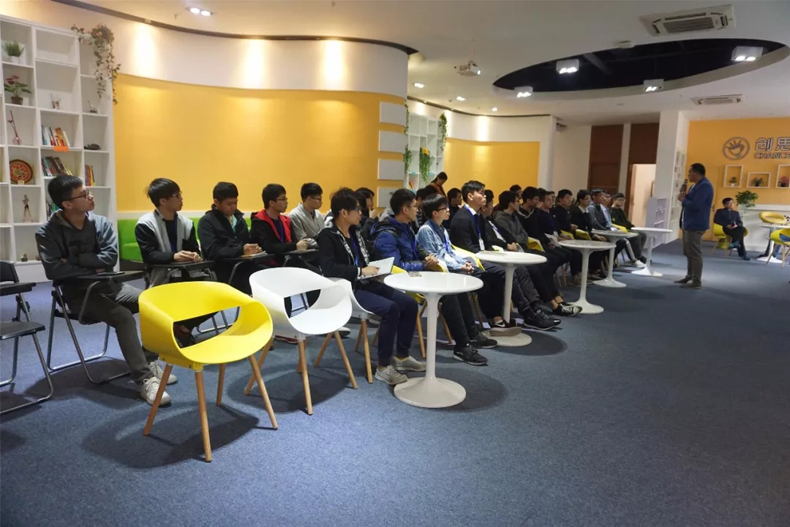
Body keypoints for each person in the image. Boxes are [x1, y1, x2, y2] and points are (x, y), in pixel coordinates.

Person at [37, 176, 175, 406]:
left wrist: (72, 259)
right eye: (83, 194)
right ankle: (144, 378)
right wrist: (93, 263)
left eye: (88, 191)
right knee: (123, 316)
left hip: (111, 285)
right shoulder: (47, 232)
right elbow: (54, 270)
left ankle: (148, 359)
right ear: (67, 204)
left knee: (154, 303)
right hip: (78, 294)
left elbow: (110, 258)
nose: (90, 196)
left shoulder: (101, 223)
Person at [372, 189, 496, 365]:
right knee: (448, 294)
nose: (418, 209)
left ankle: (471, 334)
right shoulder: (387, 234)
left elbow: (418, 249)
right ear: (405, 210)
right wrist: (423, 264)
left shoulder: (406, 228)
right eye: (414, 206)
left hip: (416, 273)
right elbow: (396, 266)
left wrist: (428, 257)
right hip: (400, 279)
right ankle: (462, 345)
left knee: (456, 284)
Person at [317, 188, 425, 385]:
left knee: (409, 304)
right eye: (357, 210)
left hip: (366, 282)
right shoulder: (328, 236)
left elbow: (369, 256)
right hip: (346, 289)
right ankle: (383, 367)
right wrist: (361, 271)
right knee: (391, 309)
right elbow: (329, 267)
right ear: (344, 213)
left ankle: (402, 357)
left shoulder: (355, 232)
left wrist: (378, 269)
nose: (361, 213)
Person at [450, 180, 558, 330]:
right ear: (470, 196)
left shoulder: (478, 216)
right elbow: (467, 250)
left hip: (483, 256)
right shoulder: (462, 218)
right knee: (504, 272)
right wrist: (490, 256)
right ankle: (526, 313)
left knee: (519, 269)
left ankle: (535, 308)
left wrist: (495, 253)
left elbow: (486, 243)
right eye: (481, 193)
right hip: (471, 261)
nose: (484, 197)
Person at [417, 193, 518, 336]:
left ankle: (496, 319)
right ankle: (481, 326)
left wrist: (465, 262)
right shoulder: (426, 230)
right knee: (484, 282)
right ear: (435, 213)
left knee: (494, 277)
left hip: (454, 267)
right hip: (443, 272)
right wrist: (460, 266)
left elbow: (450, 252)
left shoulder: (441, 228)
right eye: (444, 208)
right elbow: (438, 257)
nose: (448, 210)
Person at [493, 191, 580, 316]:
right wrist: (519, 238)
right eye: (517, 201)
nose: (518, 203)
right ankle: (554, 304)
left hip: (522, 248)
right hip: (514, 252)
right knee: (536, 269)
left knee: (546, 263)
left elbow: (524, 235)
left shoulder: (514, 216)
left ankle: (557, 299)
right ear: (510, 203)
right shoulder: (500, 218)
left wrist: (520, 238)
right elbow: (511, 238)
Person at [135, 178, 204, 287]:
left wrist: (194, 255)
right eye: (177, 195)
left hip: (188, 277)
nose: (181, 198)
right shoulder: (145, 224)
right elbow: (149, 255)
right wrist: (174, 256)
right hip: (161, 280)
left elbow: (193, 248)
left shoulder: (187, 223)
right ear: (163, 201)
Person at [198, 182, 263, 294]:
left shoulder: (239, 219)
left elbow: (246, 242)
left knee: (269, 276)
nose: (234, 207)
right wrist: (241, 250)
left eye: (235, 202)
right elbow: (212, 251)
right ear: (216, 202)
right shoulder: (206, 222)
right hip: (223, 270)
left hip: (244, 266)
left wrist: (254, 249)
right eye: (229, 204)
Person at [517, 187, 581, 284]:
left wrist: (548, 240)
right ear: (528, 200)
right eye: (536, 199)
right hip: (532, 243)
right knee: (553, 259)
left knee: (566, 254)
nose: (538, 202)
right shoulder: (521, 213)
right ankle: (544, 282)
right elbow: (529, 228)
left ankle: (546, 280)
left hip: (542, 240)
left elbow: (540, 230)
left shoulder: (535, 211)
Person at [250, 184, 310, 266]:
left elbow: (290, 241)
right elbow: (267, 246)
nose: (286, 202)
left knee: (314, 272)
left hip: (287, 260)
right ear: (272, 203)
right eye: (283, 199)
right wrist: (294, 246)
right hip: (268, 264)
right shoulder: (259, 222)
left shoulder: (285, 220)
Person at [676, 163, 714, 289]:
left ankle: (696, 280)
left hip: (696, 224)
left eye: (690, 172)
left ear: (697, 173)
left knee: (694, 253)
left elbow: (696, 205)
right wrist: (683, 195)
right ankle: (690, 276)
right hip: (688, 222)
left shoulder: (704, 186)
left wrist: (684, 200)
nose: (688, 175)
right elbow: (688, 202)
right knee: (688, 252)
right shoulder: (694, 186)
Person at [609, 193, 647, 265]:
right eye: (620, 200)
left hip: (626, 229)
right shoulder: (611, 211)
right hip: (620, 230)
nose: (622, 202)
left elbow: (626, 221)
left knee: (643, 234)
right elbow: (614, 223)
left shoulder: (620, 210)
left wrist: (632, 226)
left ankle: (638, 254)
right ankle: (635, 258)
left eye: (623, 200)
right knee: (636, 236)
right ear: (614, 200)